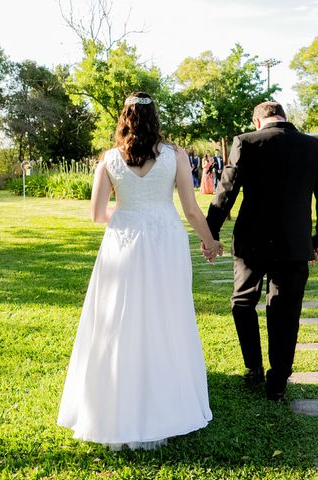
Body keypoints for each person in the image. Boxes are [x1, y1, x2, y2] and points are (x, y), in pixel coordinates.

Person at [57, 92, 222, 451]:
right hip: (165, 238)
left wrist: (130, 213)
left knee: (118, 316)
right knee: (167, 315)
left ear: (124, 119)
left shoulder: (109, 160)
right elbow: (192, 210)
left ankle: (115, 402)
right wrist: (210, 242)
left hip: (123, 242)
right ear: (154, 119)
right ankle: (168, 400)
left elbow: (98, 215)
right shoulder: (175, 156)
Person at [206, 101, 318, 401]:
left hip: (251, 241)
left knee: (242, 302)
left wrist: (210, 233)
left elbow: (226, 191)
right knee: (285, 311)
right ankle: (278, 381)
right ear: (285, 118)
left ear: (257, 120)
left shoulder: (246, 142)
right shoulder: (315, 147)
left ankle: (253, 366)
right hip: (295, 244)